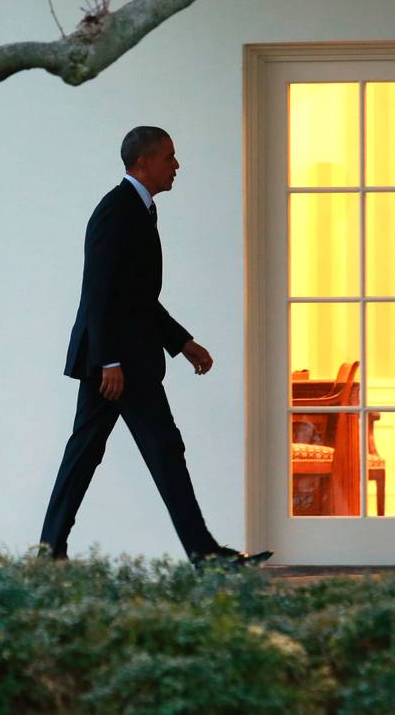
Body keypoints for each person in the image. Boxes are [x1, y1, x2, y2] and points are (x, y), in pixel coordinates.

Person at [39, 126, 272, 567]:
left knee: (96, 452)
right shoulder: (116, 212)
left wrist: (182, 342)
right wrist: (109, 360)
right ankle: (203, 555)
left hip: (123, 360)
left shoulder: (139, 210)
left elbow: (138, 297)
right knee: (156, 451)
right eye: (169, 157)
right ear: (143, 162)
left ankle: (51, 550)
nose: (177, 165)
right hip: (118, 365)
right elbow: (100, 292)